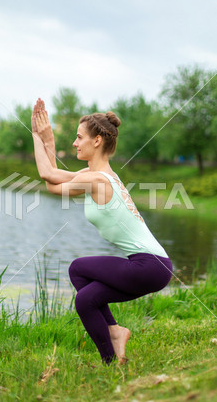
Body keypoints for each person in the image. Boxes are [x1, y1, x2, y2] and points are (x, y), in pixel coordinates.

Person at [32, 98, 173, 365]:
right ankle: (116, 339)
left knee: (77, 269)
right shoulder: (98, 175)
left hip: (149, 265)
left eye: (78, 137)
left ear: (96, 141)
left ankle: (109, 359)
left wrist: (39, 136)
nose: (75, 143)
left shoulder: (96, 179)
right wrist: (45, 141)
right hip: (154, 265)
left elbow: (46, 172)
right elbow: (52, 182)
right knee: (86, 298)